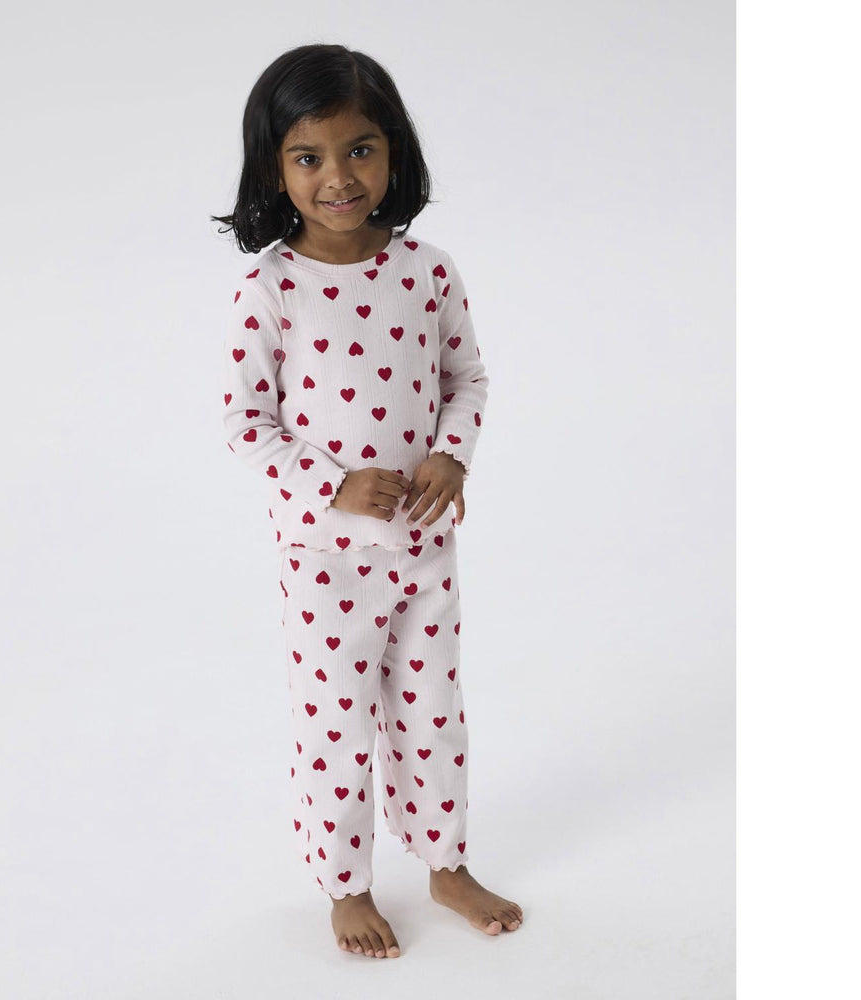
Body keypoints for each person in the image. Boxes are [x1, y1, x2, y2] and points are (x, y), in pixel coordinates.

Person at [213, 43, 523, 958]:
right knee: (336, 724)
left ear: (394, 151)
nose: (339, 177)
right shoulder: (270, 288)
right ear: (275, 167)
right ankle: (344, 883)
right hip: (324, 559)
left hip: (424, 546)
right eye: (308, 157)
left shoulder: (428, 271)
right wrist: (333, 485)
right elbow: (244, 422)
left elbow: (467, 378)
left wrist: (451, 456)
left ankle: (444, 862)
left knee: (433, 714)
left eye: (360, 150)